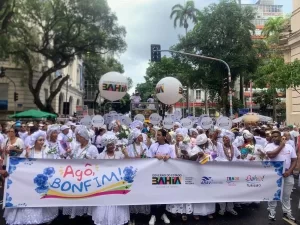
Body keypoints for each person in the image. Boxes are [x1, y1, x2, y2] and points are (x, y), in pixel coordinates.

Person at [4, 130, 58, 225]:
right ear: (35, 141)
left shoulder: (46, 151)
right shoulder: (27, 151)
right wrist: (26, 156)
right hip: (28, 182)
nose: (42, 142)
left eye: (43, 140)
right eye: (40, 140)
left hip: (42, 182)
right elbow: (19, 165)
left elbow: (52, 164)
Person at [265, 130, 297, 222]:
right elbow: (271, 155)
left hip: (287, 174)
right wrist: (281, 146)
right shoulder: (269, 146)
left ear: (280, 137)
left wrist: (290, 171)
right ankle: (272, 212)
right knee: (273, 194)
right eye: (273, 136)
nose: (275, 138)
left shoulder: (289, 147)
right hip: (273, 174)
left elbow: (294, 160)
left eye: (276, 136)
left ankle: (287, 212)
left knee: (286, 195)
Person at [147, 129, 175, 225]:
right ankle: (153, 214)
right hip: (154, 173)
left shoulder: (170, 147)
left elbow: (175, 159)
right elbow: (147, 159)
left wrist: (169, 158)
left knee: (164, 193)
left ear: (164, 136)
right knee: (154, 193)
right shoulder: (153, 146)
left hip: (166, 174)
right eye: (156, 135)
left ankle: (163, 213)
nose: (157, 136)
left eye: (159, 135)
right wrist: (155, 157)